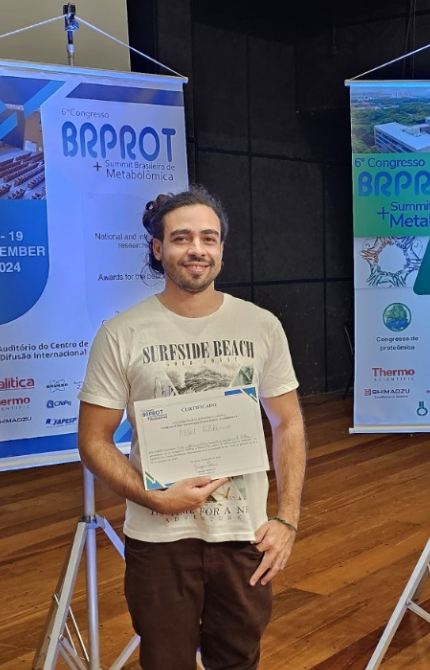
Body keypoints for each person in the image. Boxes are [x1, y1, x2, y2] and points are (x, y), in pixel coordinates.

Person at [77, 185, 307, 670]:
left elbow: (287, 423)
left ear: (221, 248)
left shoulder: (261, 326)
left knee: (238, 660)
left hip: (245, 535)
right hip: (159, 540)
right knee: (165, 663)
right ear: (158, 250)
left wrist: (286, 519)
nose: (197, 249)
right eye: (181, 238)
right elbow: (93, 440)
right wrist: (152, 497)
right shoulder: (121, 333)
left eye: (209, 237)